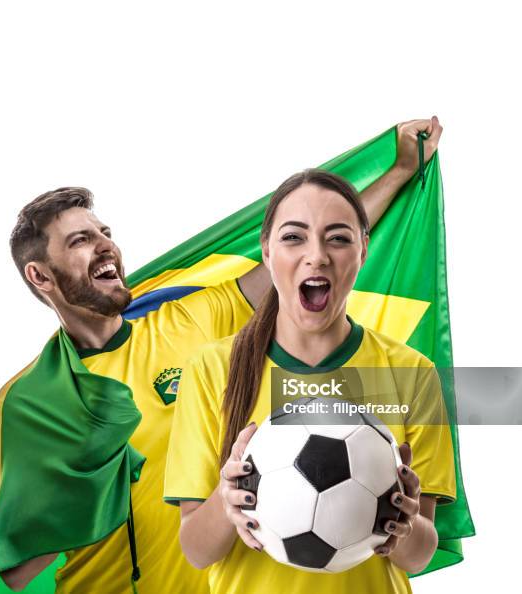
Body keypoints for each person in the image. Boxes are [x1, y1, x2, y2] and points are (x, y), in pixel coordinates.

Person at [0, 118, 442, 594]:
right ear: (41, 277)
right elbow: (9, 568)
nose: (107, 246)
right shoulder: (25, 402)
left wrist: (399, 172)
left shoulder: (191, 322)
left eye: (105, 232)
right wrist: (89, 494)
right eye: (81, 240)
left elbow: (303, 261)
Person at [164, 166, 455, 594]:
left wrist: (405, 525)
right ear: (266, 251)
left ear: (363, 251)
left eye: (338, 238)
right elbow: (196, 550)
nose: (316, 255)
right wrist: (224, 503)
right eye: (293, 237)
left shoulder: (411, 372)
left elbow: (419, 554)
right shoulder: (211, 367)